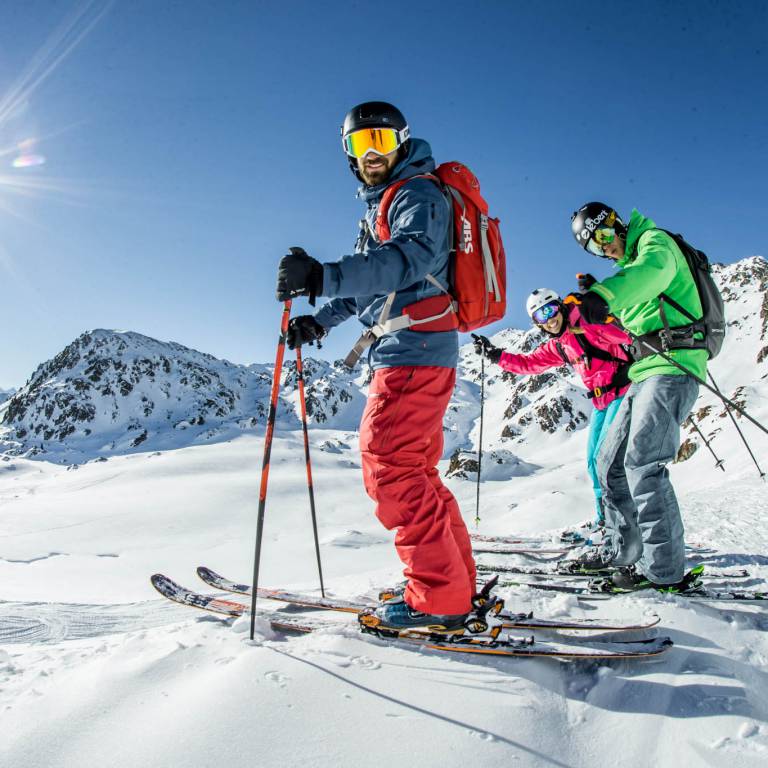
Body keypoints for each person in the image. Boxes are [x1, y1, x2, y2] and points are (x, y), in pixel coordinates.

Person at [274, 101, 476, 630]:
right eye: (360, 145)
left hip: (414, 353)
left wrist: (322, 276)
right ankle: (452, 582)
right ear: (348, 154)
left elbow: (405, 261)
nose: (371, 155)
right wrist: (320, 320)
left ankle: (439, 599)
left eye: (381, 142)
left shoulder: (418, 194)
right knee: (415, 471)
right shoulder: (386, 202)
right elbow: (373, 281)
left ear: (402, 142)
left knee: (390, 468)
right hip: (410, 349)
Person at [567, 202, 706, 591]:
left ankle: (663, 572)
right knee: (608, 463)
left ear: (615, 224)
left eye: (605, 237)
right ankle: (623, 552)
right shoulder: (629, 268)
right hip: (645, 371)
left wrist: (605, 295)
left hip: (674, 365)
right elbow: (631, 321)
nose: (604, 247)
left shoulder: (654, 243)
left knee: (643, 463)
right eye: (594, 247)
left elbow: (654, 273)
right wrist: (603, 307)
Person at [473, 286, 633, 542]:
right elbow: (529, 364)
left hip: (623, 393)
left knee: (607, 462)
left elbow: (624, 335)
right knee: (594, 464)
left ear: (559, 306)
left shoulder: (586, 324)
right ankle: (606, 520)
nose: (548, 320)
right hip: (601, 403)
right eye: (540, 317)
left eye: (549, 310)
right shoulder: (559, 345)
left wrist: (601, 316)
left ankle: (622, 527)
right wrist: (495, 355)